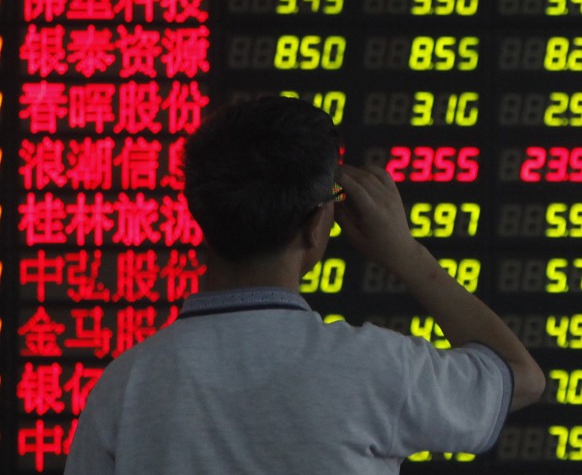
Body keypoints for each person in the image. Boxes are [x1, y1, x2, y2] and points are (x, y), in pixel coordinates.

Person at [65, 96, 545, 474]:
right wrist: (405, 253)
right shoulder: (375, 368)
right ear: (317, 225)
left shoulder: (125, 386)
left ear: (202, 215)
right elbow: (519, 375)